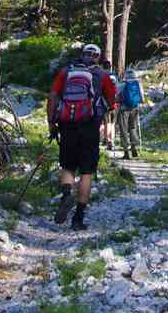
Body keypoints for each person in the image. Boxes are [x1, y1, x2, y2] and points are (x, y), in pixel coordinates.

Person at [48, 43, 116, 230]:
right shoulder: (102, 75)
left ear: (82, 55)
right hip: (90, 127)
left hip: (67, 125)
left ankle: (66, 194)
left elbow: (53, 96)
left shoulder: (66, 72)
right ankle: (78, 218)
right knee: (86, 172)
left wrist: (51, 122)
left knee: (68, 165)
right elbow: (112, 102)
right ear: (98, 57)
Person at [117, 67, 145, 159]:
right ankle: (134, 147)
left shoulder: (122, 84)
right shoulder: (138, 84)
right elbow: (142, 98)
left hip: (123, 109)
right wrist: (139, 102)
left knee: (123, 129)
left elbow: (116, 96)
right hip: (135, 108)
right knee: (133, 127)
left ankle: (126, 151)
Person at [101, 59, 119, 151]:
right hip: (115, 103)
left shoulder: (102, 76)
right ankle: (112, 139)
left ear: (102, 67)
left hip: (105, 103)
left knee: (106, 122)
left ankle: (107, 140)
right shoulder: (114, 76)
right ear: (110, 67)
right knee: (112, 123)